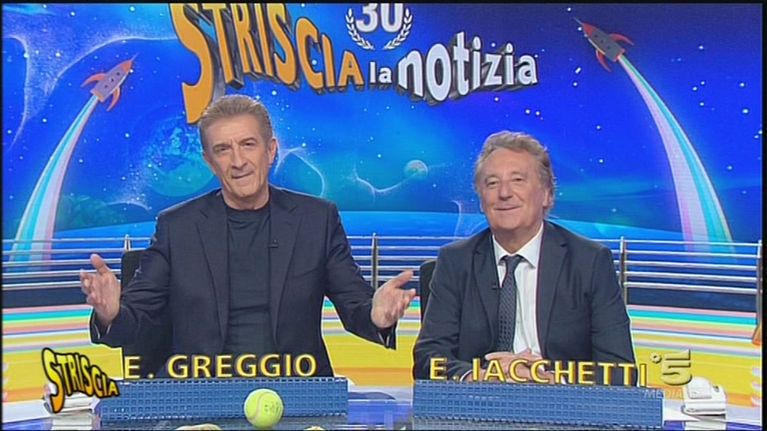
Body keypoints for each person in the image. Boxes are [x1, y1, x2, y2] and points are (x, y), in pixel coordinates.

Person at [81, 94, 416, 377]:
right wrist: (110, 314)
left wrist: (377, 315)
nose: (238, 161)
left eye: (248, 145)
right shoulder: (177, 227)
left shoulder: (316, 220)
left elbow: (355, 305)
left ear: (270, 151)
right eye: (223, 149)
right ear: (209, 162)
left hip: (297, 391)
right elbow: (136, 318)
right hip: (202, 396)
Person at [413, 131, 635, 384]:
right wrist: (484, 377)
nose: (504, 193)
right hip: (478, 400)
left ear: (547, 194)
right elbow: (429, 359)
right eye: (492, 183)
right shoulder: (455, 262)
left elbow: (621, 370)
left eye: (517, 180)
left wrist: (550, 381)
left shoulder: (589, 262)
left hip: (560, 401)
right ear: (481, 199)